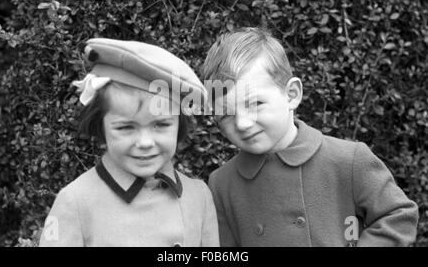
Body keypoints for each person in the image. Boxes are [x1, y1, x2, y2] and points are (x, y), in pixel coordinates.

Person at [202, 27, 419, 247]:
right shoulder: (221, 184)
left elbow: (398, 215)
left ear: (292, 94)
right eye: (226, 114)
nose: (242, 123)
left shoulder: (348, 160)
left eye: (255, 103)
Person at [39, 38, 219, 246]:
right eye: (126, 127)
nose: (144, 142)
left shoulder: (199, 196)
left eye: (161, 125)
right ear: (101, 127)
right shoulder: (76, 201)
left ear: (179, 124)